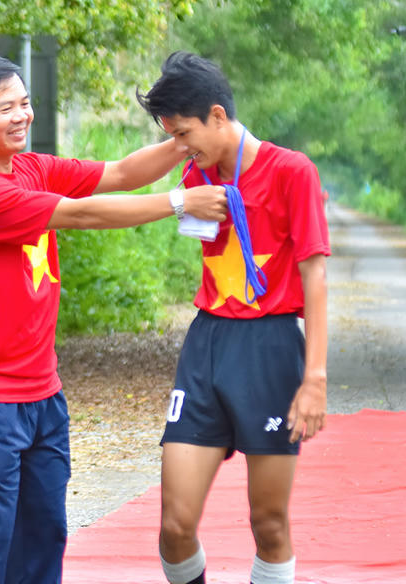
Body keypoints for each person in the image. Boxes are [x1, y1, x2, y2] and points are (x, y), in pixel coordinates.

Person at [0, 55, 229, 583]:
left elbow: (120, 174)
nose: (22, 115)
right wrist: (179, 201)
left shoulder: (31, 167)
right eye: (5, 108)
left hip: (43, 394)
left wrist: (188, 137)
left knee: (44, 542)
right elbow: (80, 213)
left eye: (25, 103)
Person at [136, 51, 329, 584]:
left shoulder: (292, 171)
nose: (180, 146)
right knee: (174, 525)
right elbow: (137, 176)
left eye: (184, 133)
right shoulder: (196, 175)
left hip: (271, 348)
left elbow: (315, 277)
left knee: (268, 523)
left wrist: (314, 379)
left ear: (218, 115)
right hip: (207, 345)